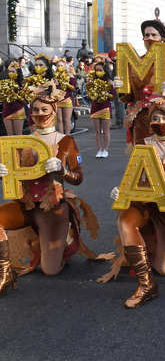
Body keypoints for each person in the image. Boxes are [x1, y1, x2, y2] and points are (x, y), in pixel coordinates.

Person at [0, 82, 101, 294]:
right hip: (26, 206)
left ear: (54, 112)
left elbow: (78, 178)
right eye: (35, 109)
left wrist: (62, 171)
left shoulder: (66, 142)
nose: (39, 114)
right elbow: (15, 177)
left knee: (50, 270)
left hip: (53, 208)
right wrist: (4, 173)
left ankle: (62, 243)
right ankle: (5, 272)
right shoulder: (23, 141)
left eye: (44, 109)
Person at [100, 93, 165, 308]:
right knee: (125, 220)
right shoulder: (142, 143)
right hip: (143, 202)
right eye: (155, 119)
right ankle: (146, 284)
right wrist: (121, 190)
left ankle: (149, 248)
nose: (160, 123)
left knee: (164, 268)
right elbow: (133, 174)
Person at [114, 18, 165, 145]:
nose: (149, 38)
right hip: (141, 121)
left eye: (153, 35)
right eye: (146, 35)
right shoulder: (135, 63)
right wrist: (121, 89)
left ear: (162, 38)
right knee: (142, 160)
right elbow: (130, 97)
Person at [86, 59, 115, 158]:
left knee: (106, 131)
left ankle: (105, 149)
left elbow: (113, 96)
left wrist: (108, 90)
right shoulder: (92, 81)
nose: (98, 72)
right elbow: (89, 95)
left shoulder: (109, 82)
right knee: (97, 131)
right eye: (96, 70)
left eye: (100, 70)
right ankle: (99, 149)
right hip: (95, 107)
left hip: (105, 107)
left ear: (105, 71)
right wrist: (92, 93)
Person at [0, 61, 29, 135]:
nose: (11, 72)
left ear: (18, 71)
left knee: (18, 135)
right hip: (6, 110)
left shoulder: (21, 83)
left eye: (13, 71)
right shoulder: (3, 82)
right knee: (10, 136)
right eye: (10, 71)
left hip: (18, 110)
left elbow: (26, 99)